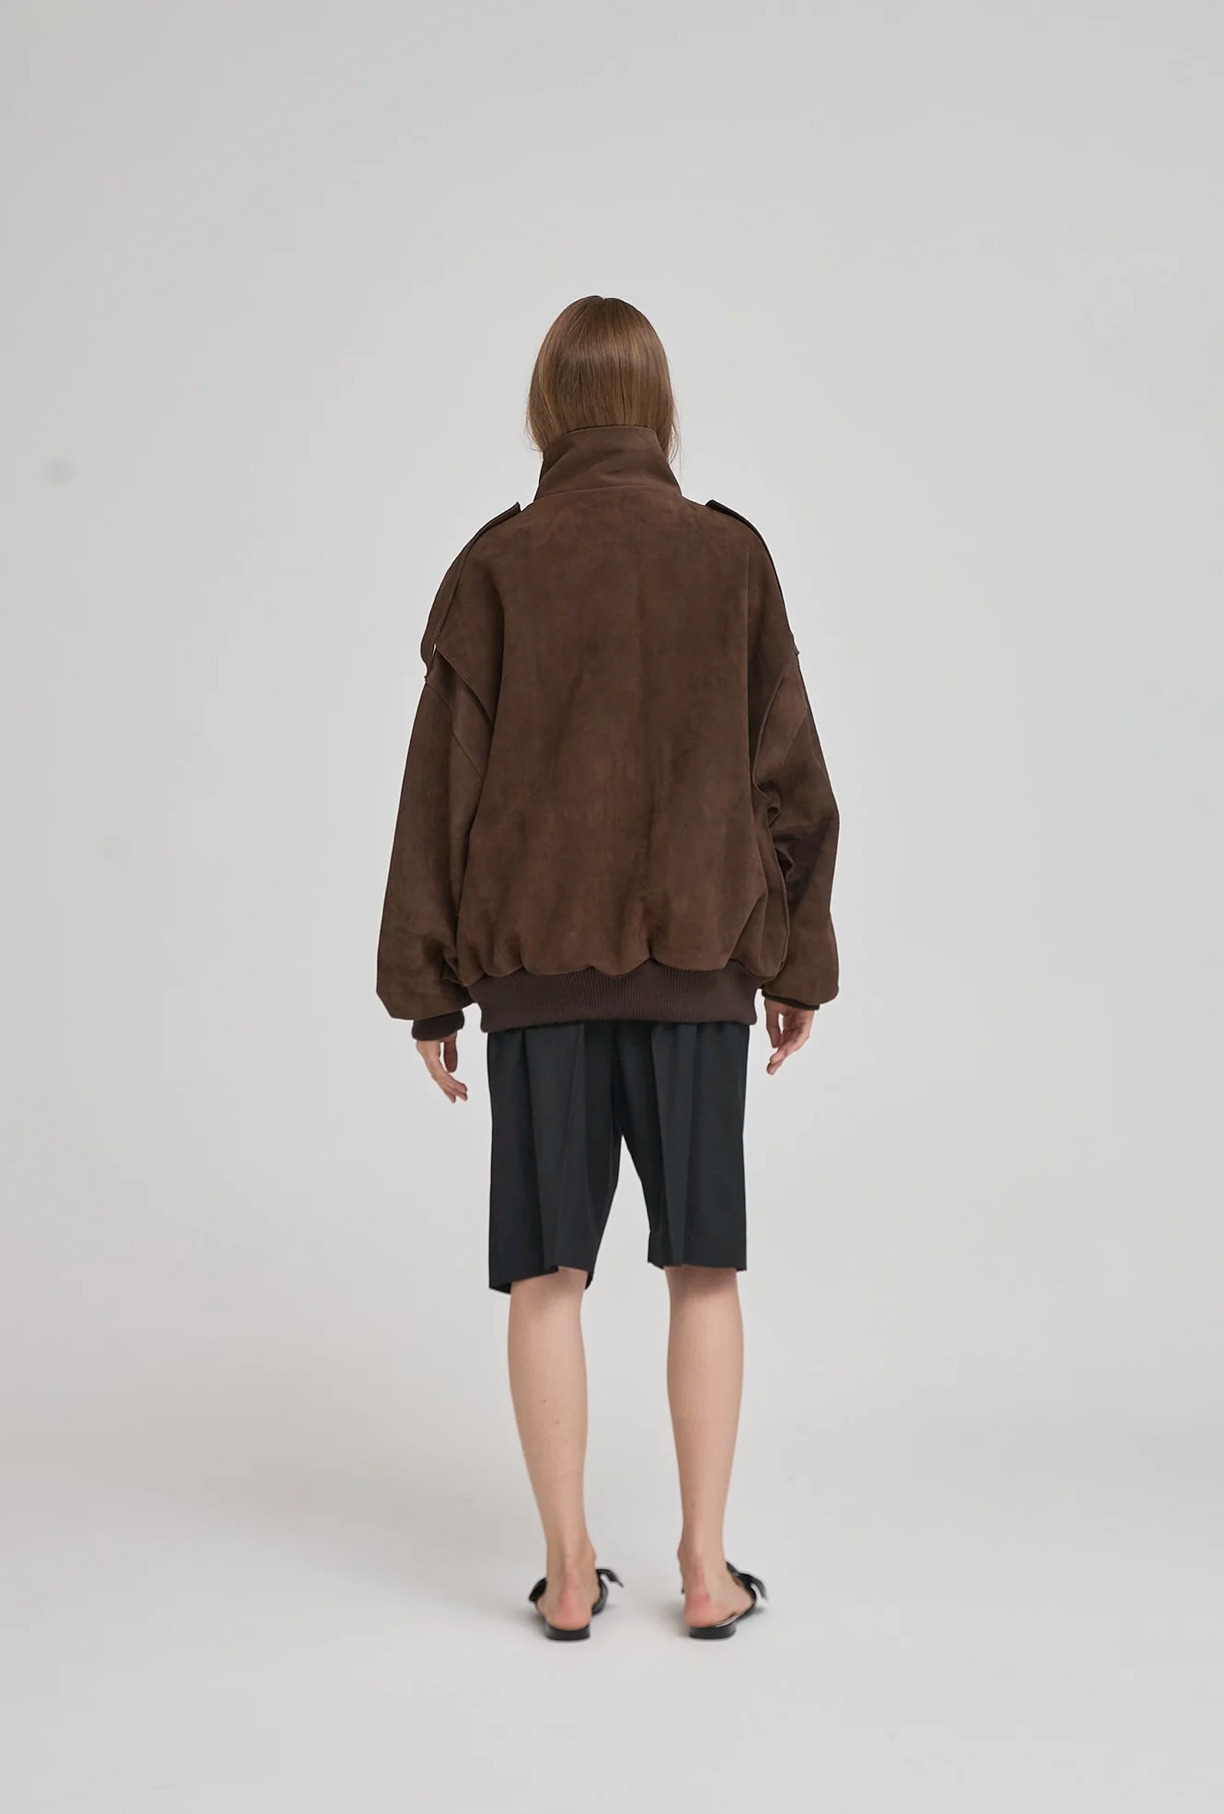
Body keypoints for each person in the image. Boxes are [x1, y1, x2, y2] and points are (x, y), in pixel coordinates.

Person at [377, 296, 840, 1640]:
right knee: (704, 1267)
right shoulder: (728, 558)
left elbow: (438, 794)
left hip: (539, 980)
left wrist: (427, 986)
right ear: (658, 405)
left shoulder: (499, 565)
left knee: (546, 1276)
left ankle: (571, 1572)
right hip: (699, 968)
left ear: (548, 409)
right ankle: (705, 1567)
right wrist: (795, 961)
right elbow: (791, 777)